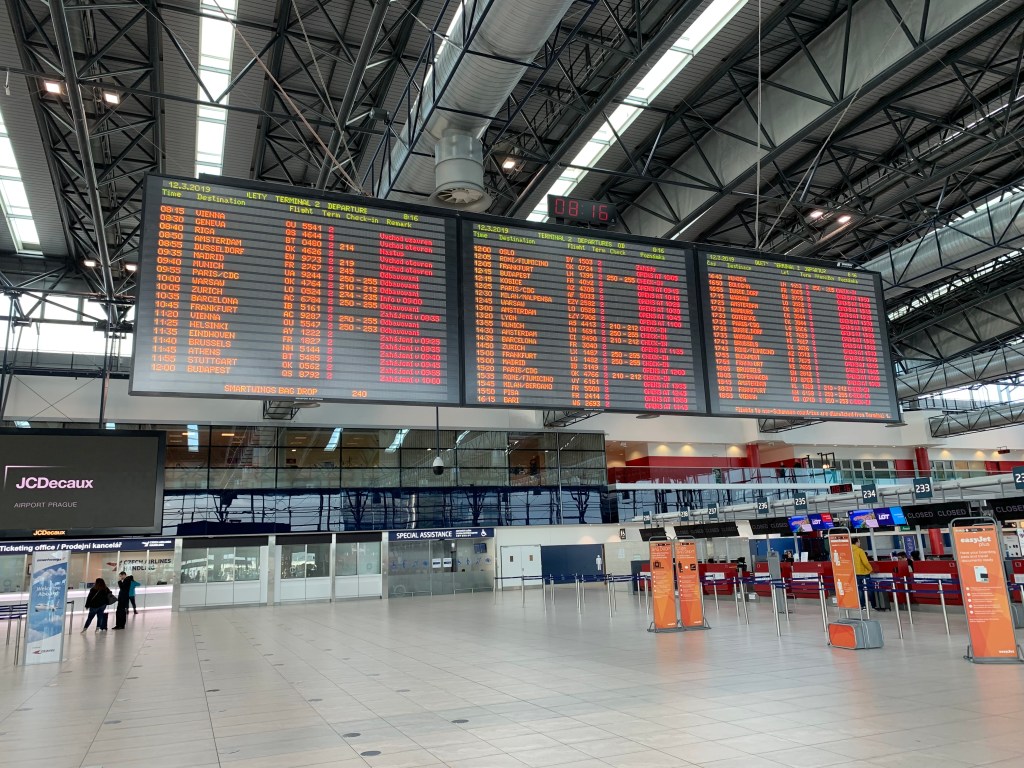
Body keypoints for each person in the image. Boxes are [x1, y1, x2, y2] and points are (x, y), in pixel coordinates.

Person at [852, 539, 875, 609]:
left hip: (855, 573)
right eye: (859, 542)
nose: (860, 543)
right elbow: (865, 562)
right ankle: (873, 605)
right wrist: (870, 569)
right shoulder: (860, 550)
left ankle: (863, 605)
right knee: (869, 588)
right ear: (856, 542)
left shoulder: (849, 551)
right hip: (864, 572)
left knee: (860, 589)